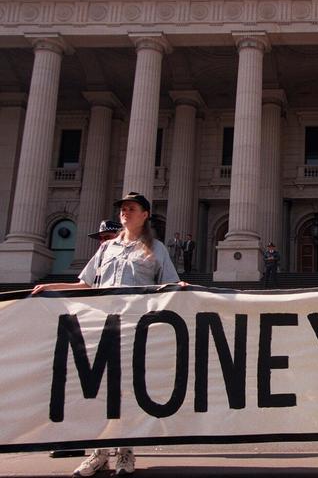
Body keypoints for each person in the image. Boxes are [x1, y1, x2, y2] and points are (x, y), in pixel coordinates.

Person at [33, 192, 186, 476]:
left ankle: (126, 452)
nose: (125, 212)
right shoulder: (107, 249)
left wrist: (184, 288)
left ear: (145, 214)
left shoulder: (156, 249)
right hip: (102, 327)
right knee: (99, 391)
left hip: (134, 329)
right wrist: (52, 287)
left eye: (131, 208)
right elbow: (86, 283)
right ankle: (99, 452)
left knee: (127, 391)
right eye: (122, 209)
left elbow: (168, 286)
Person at [48, 219, 122, 459]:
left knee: (115, 388)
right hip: (96, 325)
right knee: (81, 384)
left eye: (107, 237)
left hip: (123, 327)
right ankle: (75, 440)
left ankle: (120, 442)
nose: (103, 242)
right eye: (101, 238)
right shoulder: (99, 257)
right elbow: (83, 285)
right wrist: (49, 288)